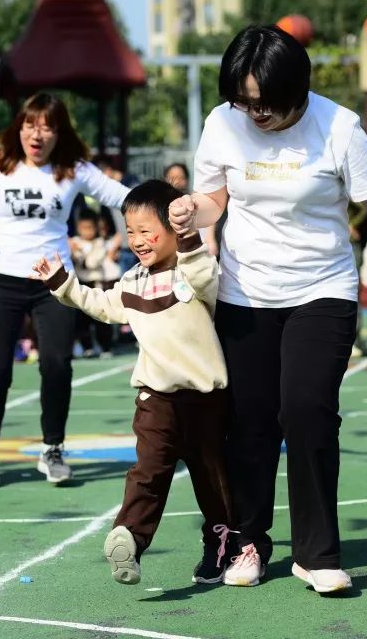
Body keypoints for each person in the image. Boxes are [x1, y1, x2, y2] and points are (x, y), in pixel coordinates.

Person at [168, 25, 367, 592]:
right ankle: (250, 540)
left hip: (322, 289)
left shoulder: (339, 127)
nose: (255, 114)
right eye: (244, 101)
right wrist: (190, 211)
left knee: (306, 411)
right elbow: (215, 200)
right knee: (248, 423)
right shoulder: (222, 123)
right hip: (245, 293)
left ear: (297, 88)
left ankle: (317, 553)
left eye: (266, 103)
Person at [34, 180, 234, 586]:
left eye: (147, 230)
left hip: (205, 399)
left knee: (214, 479)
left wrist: (190, 237)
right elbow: (103, 305)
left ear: (173, 229)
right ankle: (130, 538)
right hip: (155, 398)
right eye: (131, 231)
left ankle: (222, 543)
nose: (138, 240)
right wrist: (63, 284)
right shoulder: (132, 281)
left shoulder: (193, 271)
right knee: (147, 471)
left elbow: (203, 274)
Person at [0, 92, 130, 489]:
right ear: (20, 127)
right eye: (31, 125)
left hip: (54, 282)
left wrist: (168, 204)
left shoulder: (73, 168)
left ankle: (53, 449)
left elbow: (122, 197)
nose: (37, 134)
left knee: (57, 365)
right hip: (1, 279)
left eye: (47, 127)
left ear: (59, 132)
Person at [68, 209, 114, 358]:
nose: (87, 232)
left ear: (96, 228)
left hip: (97, 284)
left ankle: (106, 347)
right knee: (82, 319)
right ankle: (87, 347)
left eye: (90, 228)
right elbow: (70, 260)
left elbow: (92, 263)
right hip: (80, 283)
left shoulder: (100, 243)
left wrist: (80, 253)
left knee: (101, 315)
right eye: (83, 228)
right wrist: (73, 251)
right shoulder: (74, 242)